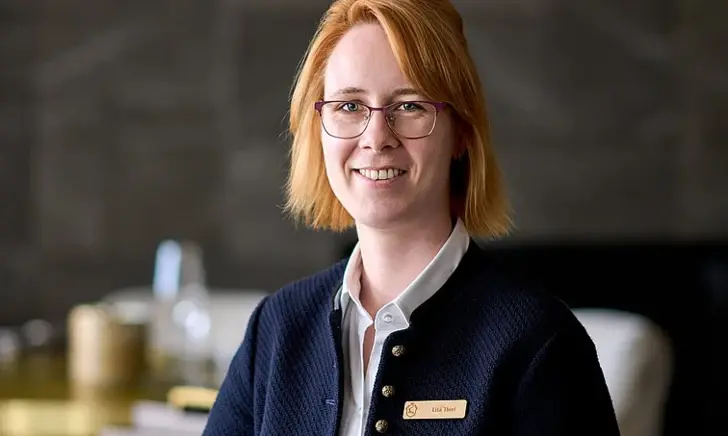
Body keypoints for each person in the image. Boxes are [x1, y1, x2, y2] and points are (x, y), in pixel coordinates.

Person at [204, 0, 621, 434]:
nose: (376, 138)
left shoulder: (538, 341)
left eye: (409, 106)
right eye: (349, 106)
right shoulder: (276, 327)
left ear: (460, 131)